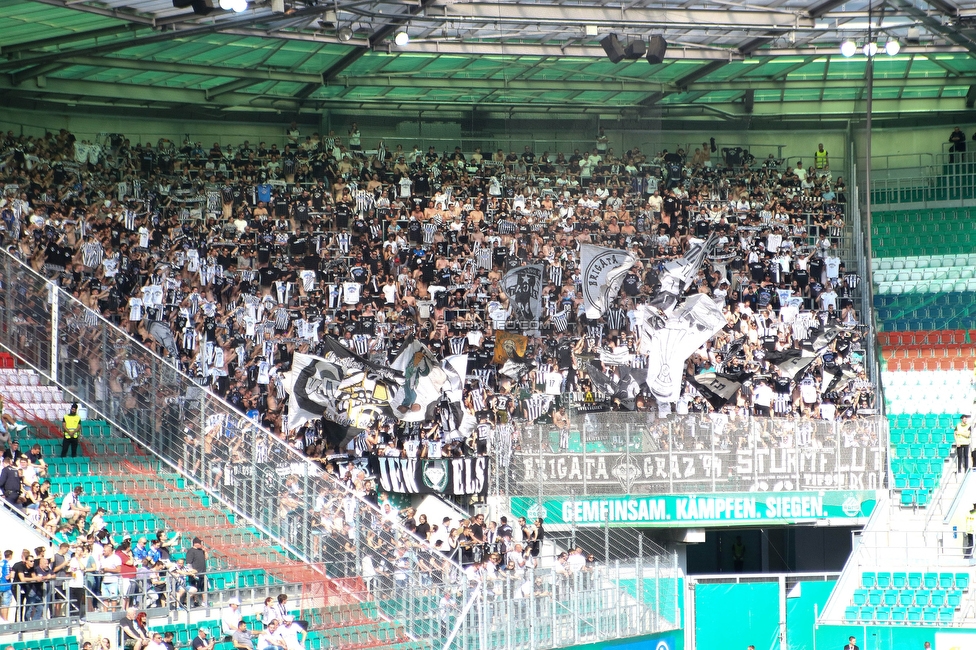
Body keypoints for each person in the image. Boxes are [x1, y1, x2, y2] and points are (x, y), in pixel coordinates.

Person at [185, 537, 207, 605]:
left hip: (203, 572)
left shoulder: (201, 550)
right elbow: (188, 563)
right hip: (195, 573)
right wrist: (192, 572)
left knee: (204, 588)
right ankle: (194, 601)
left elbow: (206, 558)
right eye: (200, 543)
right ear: (196, 543)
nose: (201, 545)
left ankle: (204, 602)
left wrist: (205, 551)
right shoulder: (191, 551)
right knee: (195, 588)